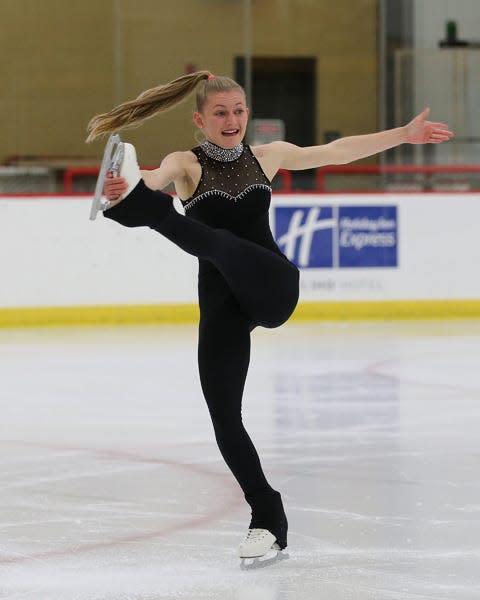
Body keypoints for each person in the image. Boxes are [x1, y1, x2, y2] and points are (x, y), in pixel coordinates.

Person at [86, 70, 453, 566]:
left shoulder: (268, 156)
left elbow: (337, 152)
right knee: (224, 417)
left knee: (218, 243)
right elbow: (149, 185)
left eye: (239, 110)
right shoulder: (183, 163)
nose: (232, 119)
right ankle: (268, 518)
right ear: (200, 119)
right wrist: (120, 190)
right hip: (222, 303)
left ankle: (141, 210)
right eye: (220, 112)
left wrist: (401, 135)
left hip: (272, 285)